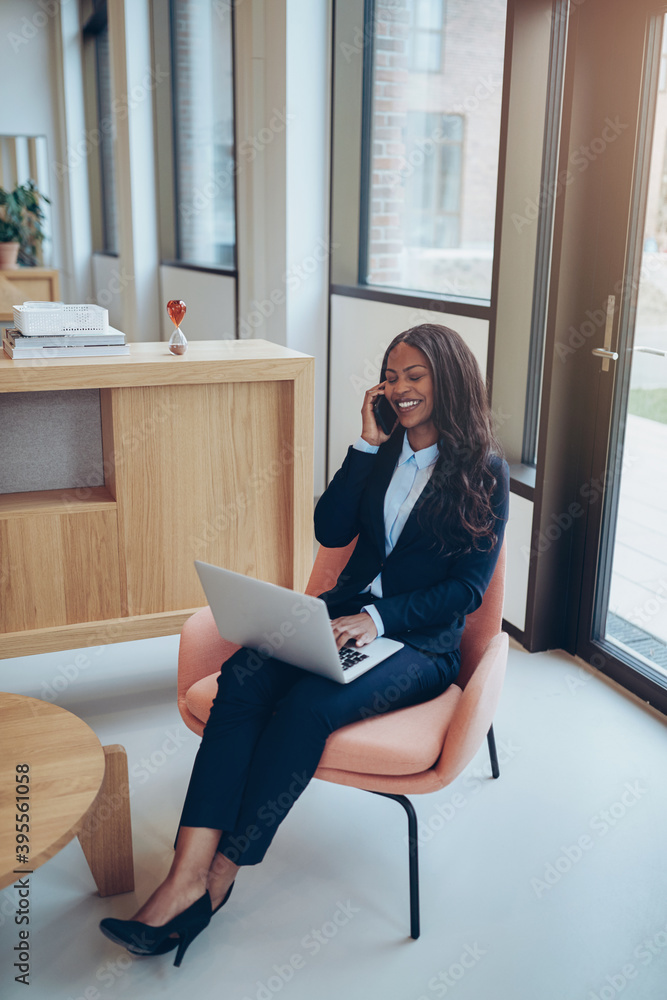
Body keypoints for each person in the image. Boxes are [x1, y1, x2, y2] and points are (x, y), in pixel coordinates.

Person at [99, 322, 510, 967]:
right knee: (243, 680)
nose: (400, 390)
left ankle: (218, 877)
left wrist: (381, 620)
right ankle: (184, 871)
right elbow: (328, 528)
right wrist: (365, 446)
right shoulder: (382, 452)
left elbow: (467, 590)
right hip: (338, 615)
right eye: (392, 376)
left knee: (306, 708)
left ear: (448, 382)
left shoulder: (483, 471)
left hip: (417, 645)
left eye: (415, 377)